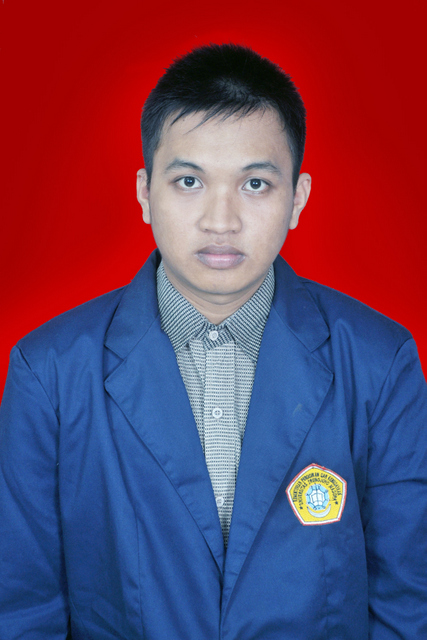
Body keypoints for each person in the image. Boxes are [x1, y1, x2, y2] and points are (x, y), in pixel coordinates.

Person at [0, 43, 426, 640]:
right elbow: (21, 609)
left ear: (297, 198)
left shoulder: (380, 363)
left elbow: (409, 603)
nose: (220, 220)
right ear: (145, 193)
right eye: (189, 181)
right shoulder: (48, 372)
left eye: (255, 183)